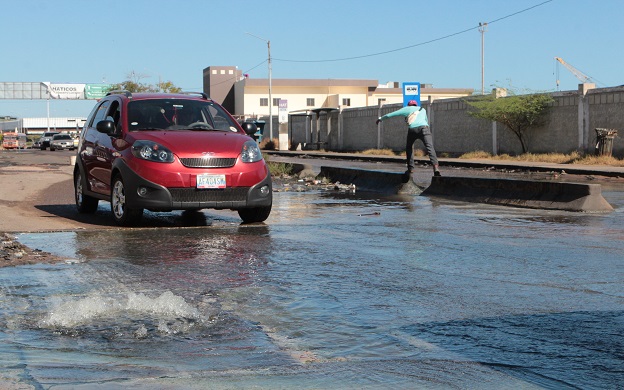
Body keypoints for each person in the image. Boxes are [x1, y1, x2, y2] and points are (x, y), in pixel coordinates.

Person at [376, 100, 441, 177]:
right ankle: (435, 167)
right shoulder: (422, 109)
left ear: (409, 105)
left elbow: (392, 114)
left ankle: (411, 169)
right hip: (424, 129)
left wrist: (380, 119)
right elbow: (426, 120)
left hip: (412, 129)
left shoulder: (407, 109)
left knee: (409, 148)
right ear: (416, 104)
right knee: (430, 148)